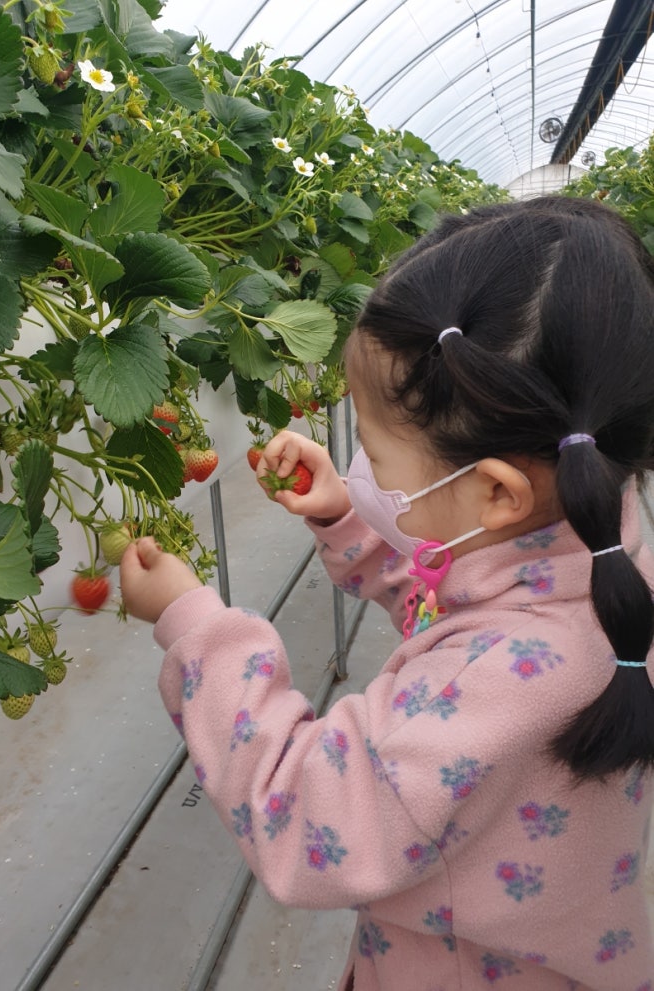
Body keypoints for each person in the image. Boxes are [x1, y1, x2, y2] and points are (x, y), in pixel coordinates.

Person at [120, 196, 654, 990]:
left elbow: (308, 816)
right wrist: (350, 521)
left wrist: (195, 626)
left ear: (497, 492)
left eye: (371, 447)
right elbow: (464, 622)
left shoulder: (500, 683)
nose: (362, 464)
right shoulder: (604, 552)